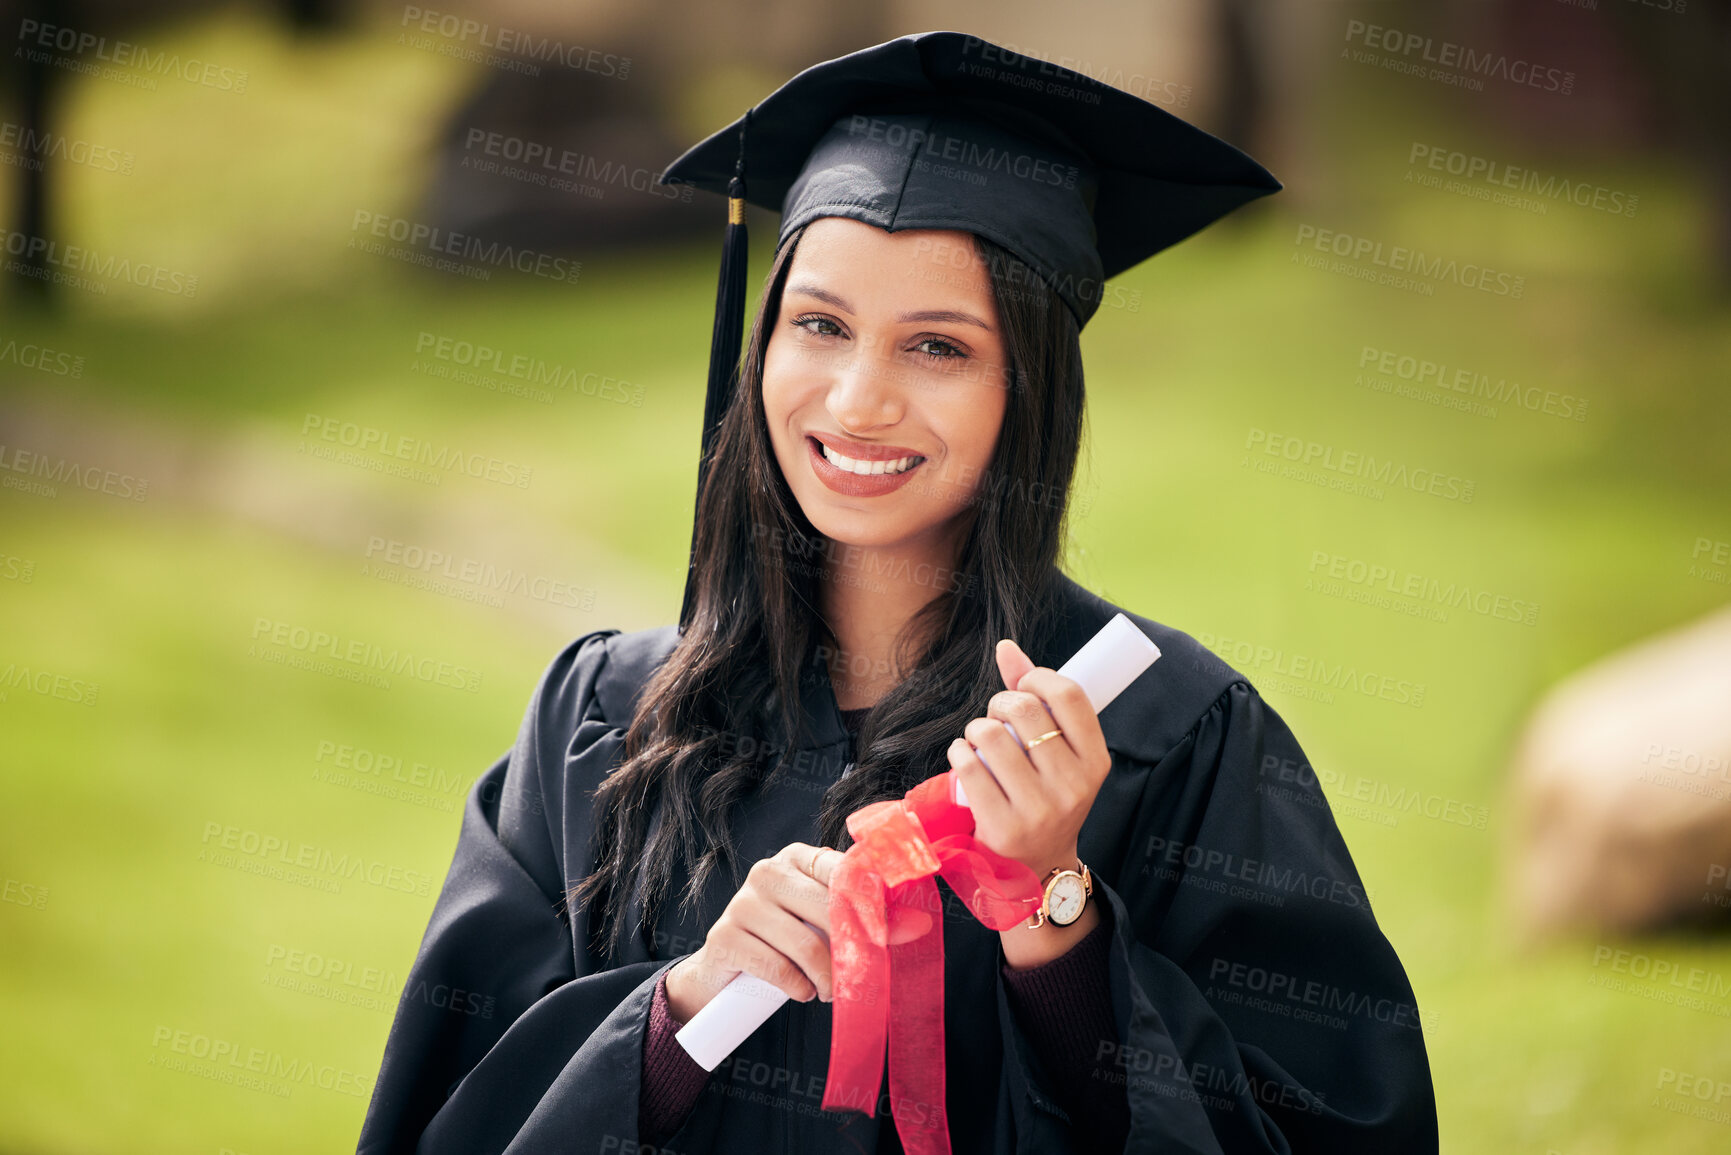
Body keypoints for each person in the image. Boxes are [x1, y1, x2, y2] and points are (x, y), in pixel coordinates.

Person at [356, 31, 1438, 1155]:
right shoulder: (601, 723)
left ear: (1029, 392)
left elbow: (1331, 1134)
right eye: (819, 325)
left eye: (937, 347)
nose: (859, 401)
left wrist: (1056, 919)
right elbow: (444, 1116)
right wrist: (673, 1015)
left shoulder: (1168, 735)